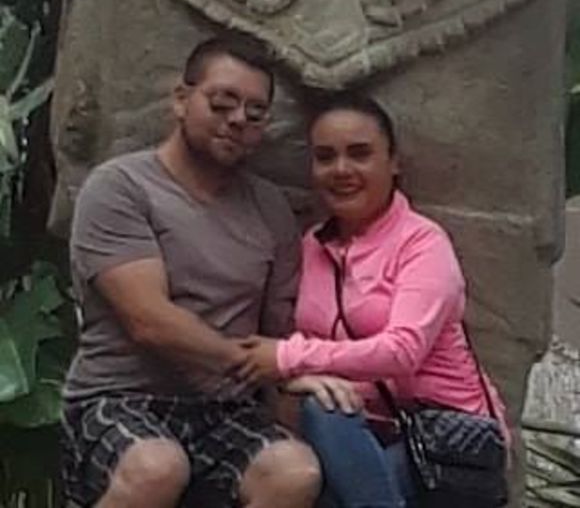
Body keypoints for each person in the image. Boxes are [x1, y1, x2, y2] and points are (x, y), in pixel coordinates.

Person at [60, 35, 322, 508]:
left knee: (294, 471)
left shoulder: (271, 209)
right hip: (120, 397)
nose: (238, 119)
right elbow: (149, 321)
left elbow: (277, 334)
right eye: (222, 103)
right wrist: (247, 361)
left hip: (223, 410)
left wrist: (290, 399)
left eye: (255, 113)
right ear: (181, 100)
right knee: (157, 467)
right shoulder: (120, 187)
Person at [238, 93, 510, 507]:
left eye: (360, 154)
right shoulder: (311, 246)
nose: (341, 170)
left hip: (443, 443)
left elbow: (402, 351)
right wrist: (293, 376)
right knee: (320, 416)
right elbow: (289, 341)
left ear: (393, 162)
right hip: (351, 431)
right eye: (325, 157)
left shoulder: (422, 243)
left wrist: (287, 358)